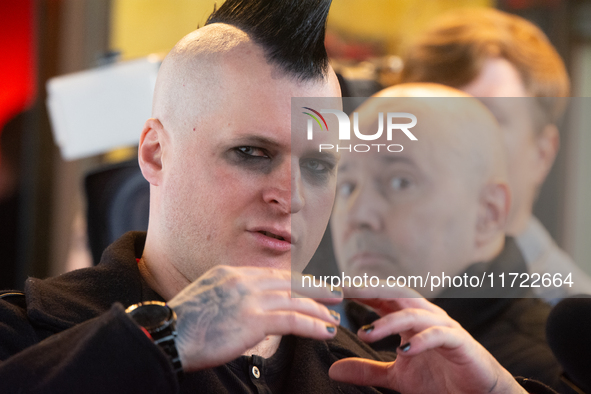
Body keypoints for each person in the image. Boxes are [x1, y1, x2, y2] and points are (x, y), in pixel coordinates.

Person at [0, 1, 557, 393]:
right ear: (155, 154)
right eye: (252, 153)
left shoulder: (383, 367)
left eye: (318, 165)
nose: (289, 197)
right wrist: (159, 342)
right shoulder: (27, 338)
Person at [329, 83, 567, 391]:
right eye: (346, 185)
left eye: (401, 182)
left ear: (488, 213)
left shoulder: (555, 372)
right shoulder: (321, 344)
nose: (359, 214)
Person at [398, 7, 591, 303]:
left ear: (542, 154)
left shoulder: (569, 328)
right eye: (429, 117)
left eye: (484, 118)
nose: (448, 141)